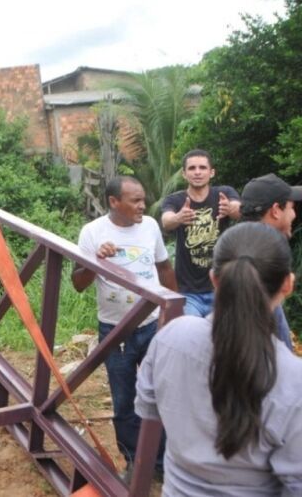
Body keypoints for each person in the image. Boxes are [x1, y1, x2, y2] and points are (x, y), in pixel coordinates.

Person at [136, 222, 302, 494]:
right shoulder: (294, 380)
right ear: (288, 284)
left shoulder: (171, 337)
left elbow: (148, 408)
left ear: (214, 279)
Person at [72, 176, 177, 477]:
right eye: (135, 200)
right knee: (123, 399)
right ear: (114, 202)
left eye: (143, 198)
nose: (143, 205)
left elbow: (164, 268)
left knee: (162, 392)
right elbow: (78, 284)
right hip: (115, 330)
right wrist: (95, 260)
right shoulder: (92, 232)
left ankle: (163, 462)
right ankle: (135, 461)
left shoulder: (151, 227)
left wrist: (176, 310)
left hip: (151, 323)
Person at [161, 149, 241, 317]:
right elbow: (166, 221)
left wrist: (230, 209)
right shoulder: (175, 200)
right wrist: (178, 217)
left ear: (211, 172)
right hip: (188, 292)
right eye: (192, 168)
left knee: (222, 339)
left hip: (221, 288)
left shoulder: (223, 194)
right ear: (184, 173)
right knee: (192, 336)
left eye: (202, 168)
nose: (197, 172)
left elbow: (240, 210)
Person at [240, 173, 302, 351]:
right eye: (291, 207)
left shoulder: (238, 245)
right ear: (275, 210)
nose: (294, 214)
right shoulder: (265, 259)